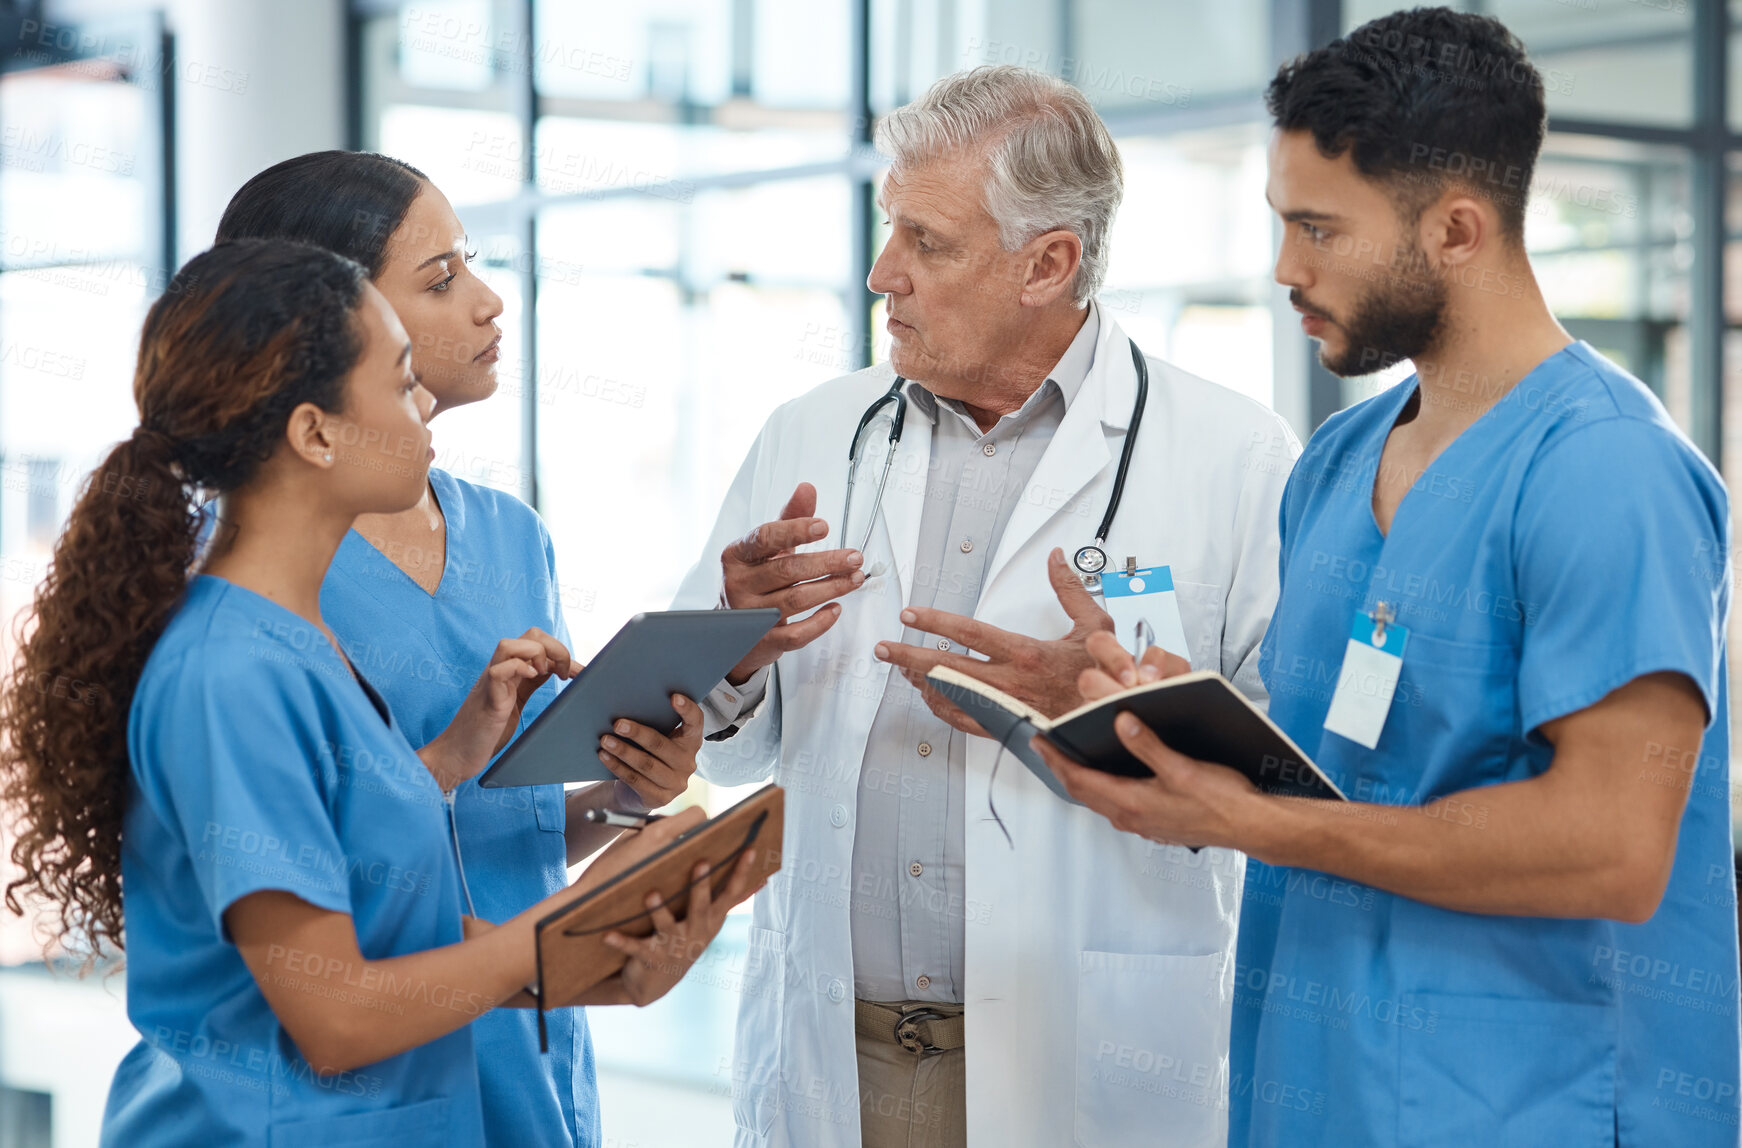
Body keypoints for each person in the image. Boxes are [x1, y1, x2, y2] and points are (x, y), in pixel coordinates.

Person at [1031, 10, 1741, 1146]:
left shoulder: (1608, 473)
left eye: (1318, 229)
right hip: (1316, 1087)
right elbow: (1339, 760)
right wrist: (1145, 700)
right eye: (1279, 222)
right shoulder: (1334, 465)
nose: (1283, 268)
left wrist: (1258, 825)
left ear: (1455, 229)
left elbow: (1612, 843)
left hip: (1531, 1105)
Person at [0, 239, 759, 1147]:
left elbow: (401, 934)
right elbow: (336, 1020)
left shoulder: (300, 643)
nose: (425, 417)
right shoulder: (231, 672)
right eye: (401, 386)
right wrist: (567, 921)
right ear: (316, 433)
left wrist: (606, 953)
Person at [674, 65, 1300, 1148]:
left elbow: (1292, 786)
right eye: (888, 232)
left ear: (1046, 263)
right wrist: (734, 645)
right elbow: (720, 749)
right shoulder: (810, 433)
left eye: (927, 242)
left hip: (1086, 1054)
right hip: (834, 1046)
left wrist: (1103, 714)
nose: (881, 275)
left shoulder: (1232, 457)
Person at [215, 152, 704, 1147]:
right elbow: (298, 870)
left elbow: (509, 833)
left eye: (471, 266)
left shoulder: (510, 532)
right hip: (375, 1071)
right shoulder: (255, 574)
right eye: (439, 280)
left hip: (532, 1058)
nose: (488, 304)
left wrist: (622, 797)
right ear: (330, 324)